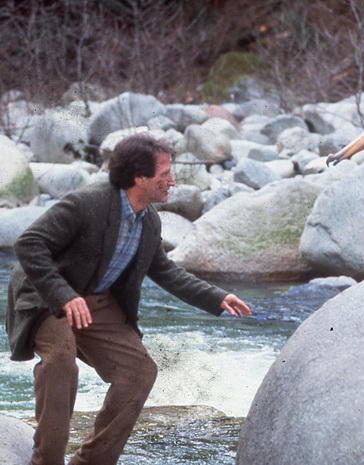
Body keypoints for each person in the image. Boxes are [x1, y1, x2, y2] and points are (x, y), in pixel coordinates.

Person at [5, 133, 252, 465]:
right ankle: (46, 461)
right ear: (139, 178)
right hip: (46, 296)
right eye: (165, 174)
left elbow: (164, 270)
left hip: (94, 299)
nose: (172, 181)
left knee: (139, 372)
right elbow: (29, 243)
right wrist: (63, 296)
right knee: (60, 360)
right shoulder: (87, 203)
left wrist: (217, 297)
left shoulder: (148, 220)